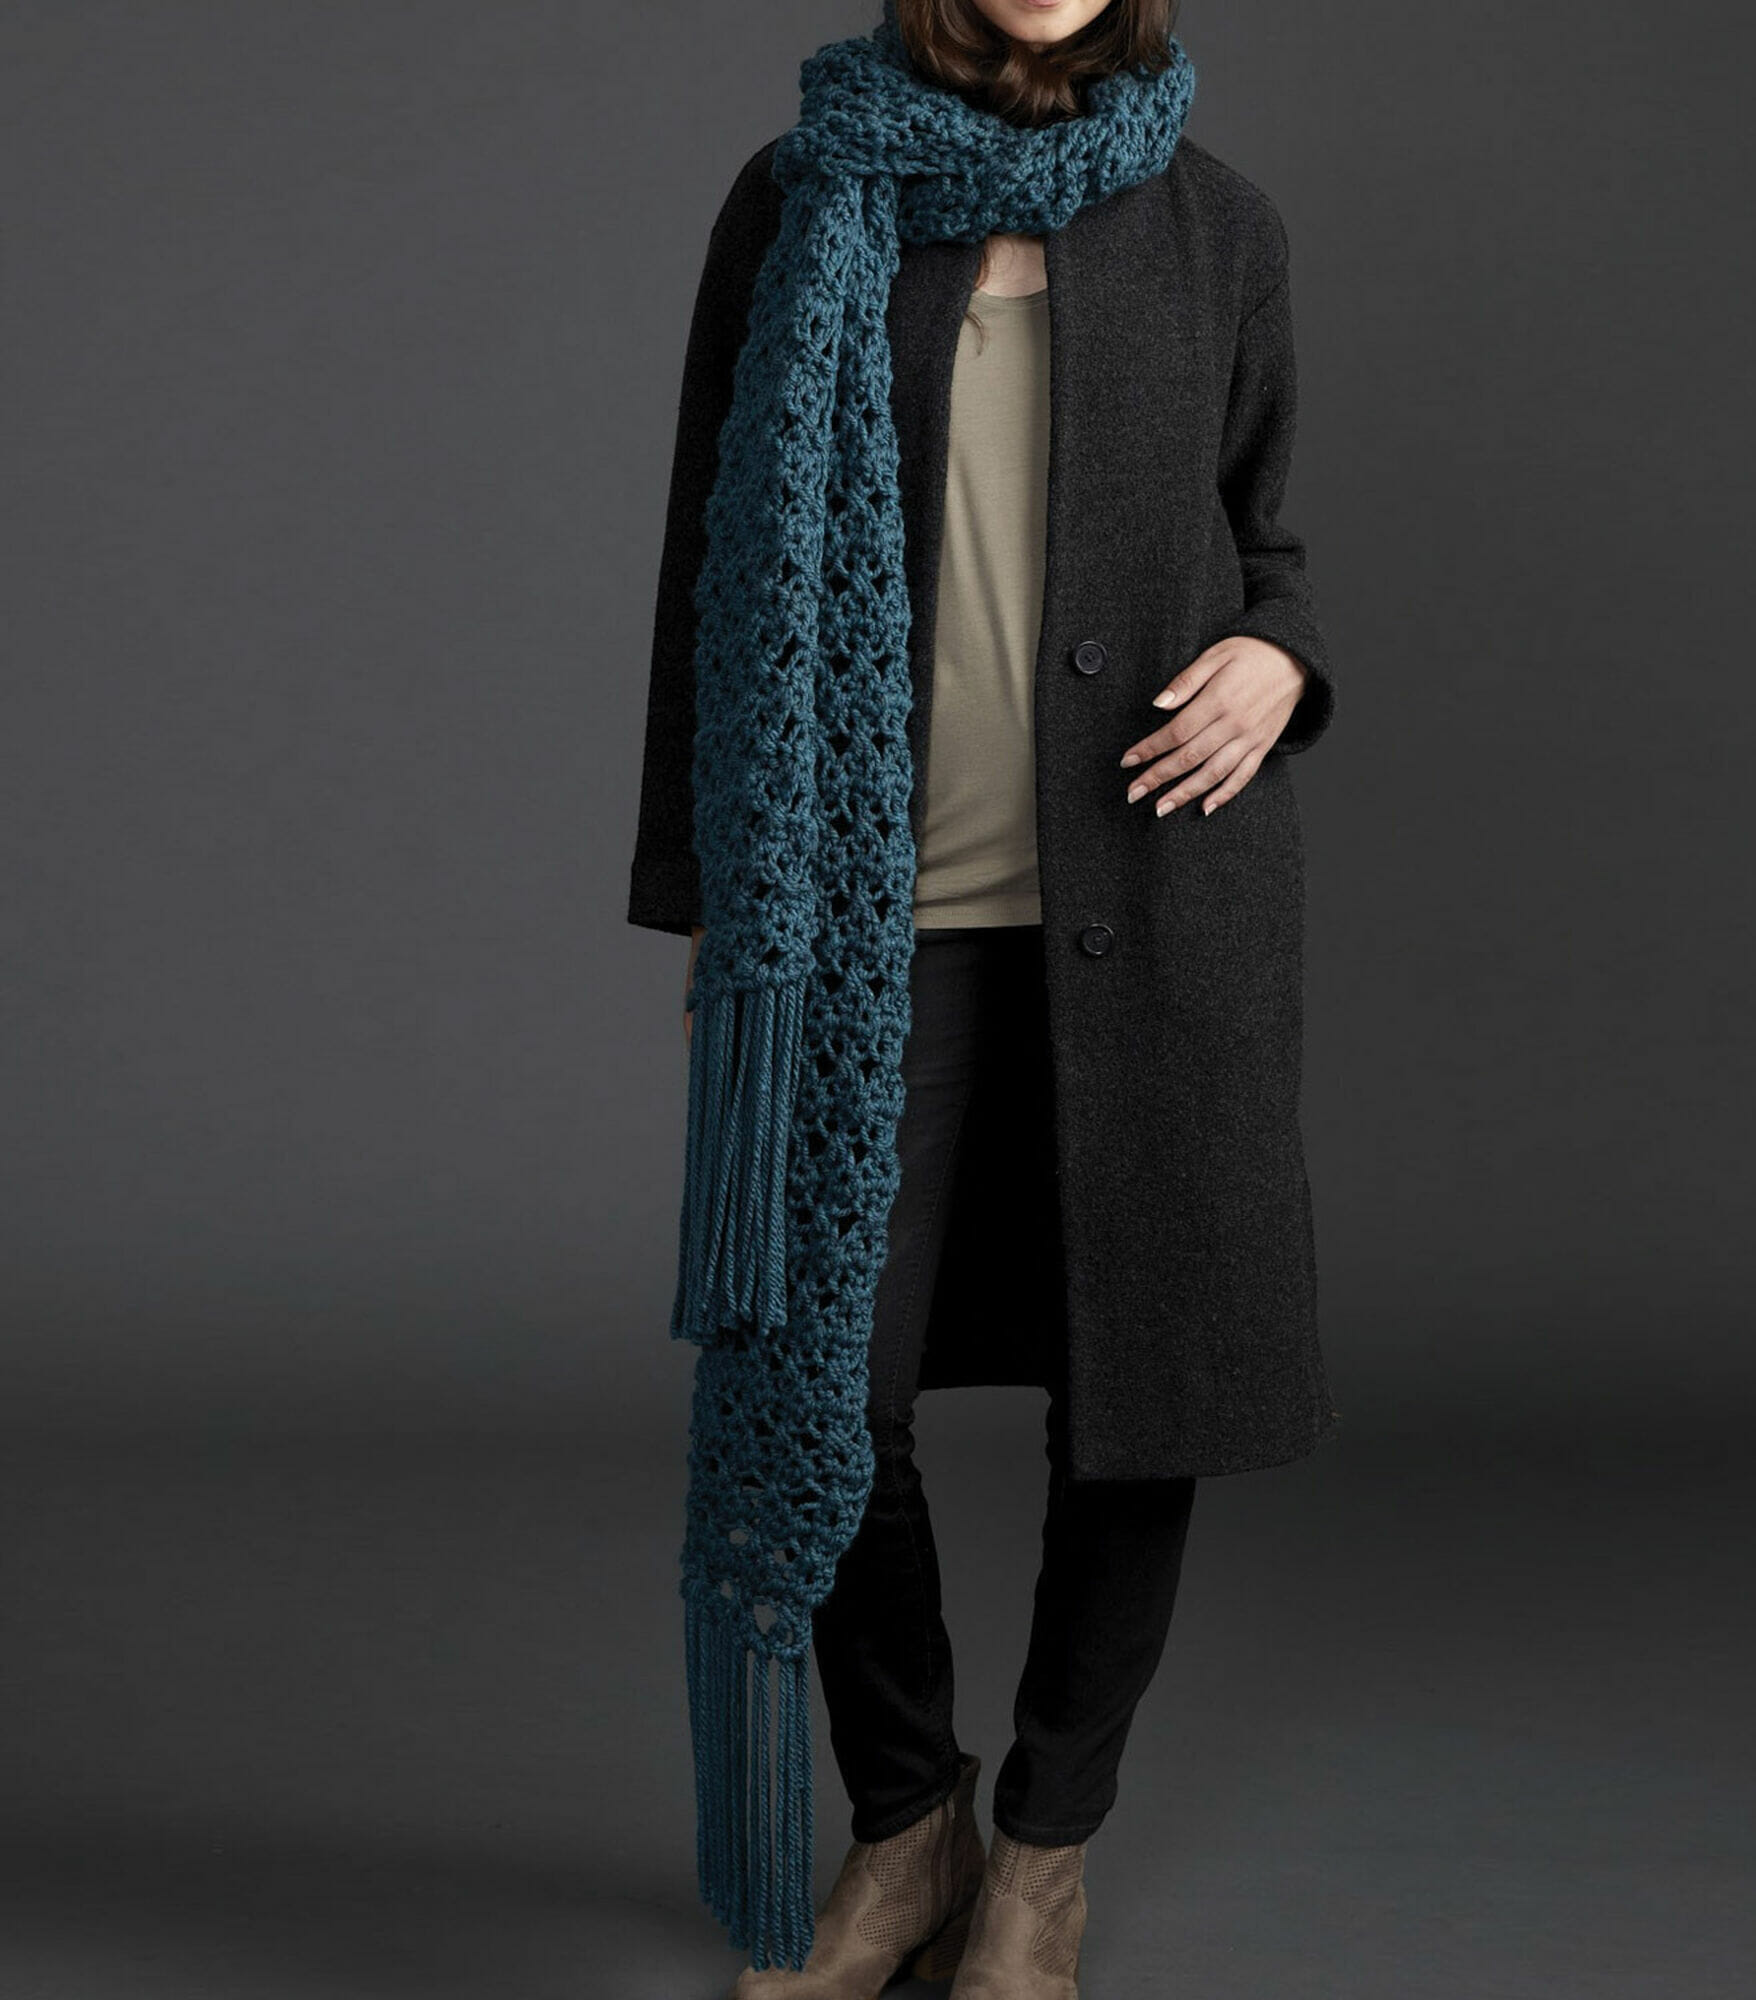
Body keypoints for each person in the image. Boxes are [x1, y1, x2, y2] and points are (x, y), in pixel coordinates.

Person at [627, 3, 1339, 1994]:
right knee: (822, 1389)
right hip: (865, 920)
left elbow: (1269, 547)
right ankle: (902, 1817)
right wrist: (716, 915)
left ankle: (1043, 1851)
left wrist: (1284, 658)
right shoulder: (797, 197)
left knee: (1138, 1394)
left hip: (1162, 905)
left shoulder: (1220, 224)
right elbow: (707, 577)